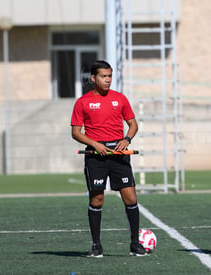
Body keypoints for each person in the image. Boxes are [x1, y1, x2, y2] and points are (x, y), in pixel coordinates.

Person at [71, 60, 147, 257]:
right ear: (93, 78)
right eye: (104, 76)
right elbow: (76, 132)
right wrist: (95, 144)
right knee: (97, 199)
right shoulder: (82, 102)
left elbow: (133, 124)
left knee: (130, 197)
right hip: (96, 156)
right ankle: (96, 246)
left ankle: (135, 244)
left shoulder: (120, 99)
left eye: (110, 76)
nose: (108, 80)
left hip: (119, 155)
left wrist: (127, 139)